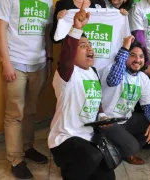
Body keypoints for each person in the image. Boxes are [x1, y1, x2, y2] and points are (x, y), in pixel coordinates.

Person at [0, 0, 53, 180]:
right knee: (14, 114)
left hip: (38, 63)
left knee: (31, 111)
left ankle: (28, 147)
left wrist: (48, 59)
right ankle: (16, 158)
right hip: (15, 63)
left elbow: (47, 34)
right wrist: (5, 62)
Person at [48, 9, 115, 180]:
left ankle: (70, 168)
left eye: (90, 45)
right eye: (83, 46)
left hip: (88, 138)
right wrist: (76, 28)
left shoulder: (92, 71)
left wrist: (102, 115)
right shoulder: (66, 73)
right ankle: (68, 169)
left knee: (108, 175)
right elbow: (66, 57)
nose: (90, 48)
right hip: (65, 139)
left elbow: (97, 98)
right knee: (91, 157)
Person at [100, 40, 150, 165]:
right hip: (107, 122)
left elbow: (149, 105)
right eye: (132, 55)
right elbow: (113, 80)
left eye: (141, 56)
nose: (137, 60)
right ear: (125, 56)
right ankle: (119, 146)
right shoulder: (112, 69)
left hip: (126, 120)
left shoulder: (143, 78)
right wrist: (125, 47)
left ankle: (119, 146)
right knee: (132, 147)